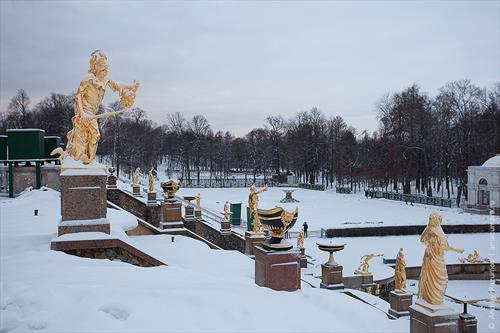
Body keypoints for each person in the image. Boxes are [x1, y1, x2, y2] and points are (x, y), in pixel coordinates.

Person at [62, 50, 140, 164]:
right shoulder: (88, 79)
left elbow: (118, 86)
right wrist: (82, 113)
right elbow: (78, 96)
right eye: (103, 68)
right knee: (95, 134)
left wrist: (132, 86)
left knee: (88, 136)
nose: (106, 70)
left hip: (93, 112)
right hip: (84, 110)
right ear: (96, 67)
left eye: (106, 68)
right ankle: (88, 161)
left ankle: (87, 159)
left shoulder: (105, 80)